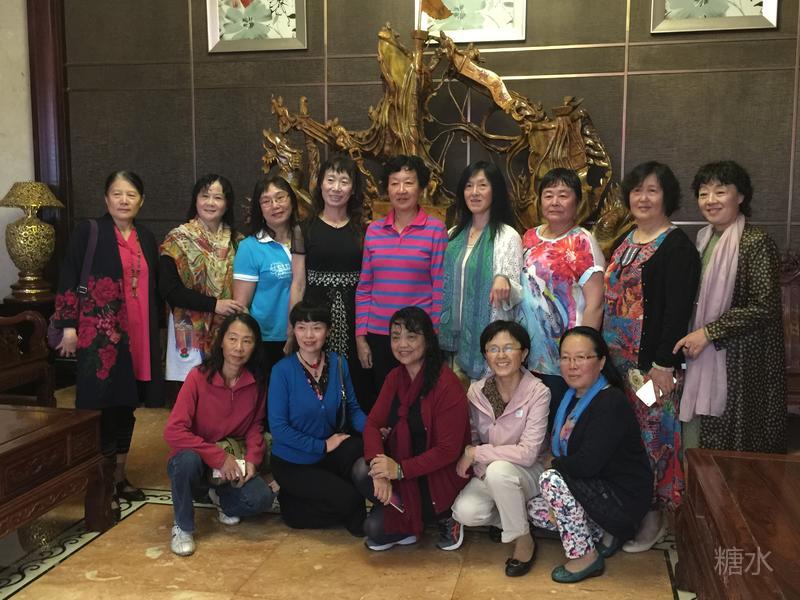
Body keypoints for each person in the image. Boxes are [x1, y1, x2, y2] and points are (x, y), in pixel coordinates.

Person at [602, 161, 700, 553]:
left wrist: (663, 365)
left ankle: (653, 517)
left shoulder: (676, 247)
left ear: (667, 197)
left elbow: (677, 311)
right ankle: (626, 510)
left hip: (650, 371)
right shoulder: (627, 239)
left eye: (653, 190)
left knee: (653, 440)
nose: (643, 198)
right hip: (617, 366)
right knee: (624, 439)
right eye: (637, 190)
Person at [54, 170, 163, 511]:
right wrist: (68, 326)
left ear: (141, 201)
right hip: (100, 337)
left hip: (139, 336)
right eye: (117, 193)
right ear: (106, 198)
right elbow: (68, 276)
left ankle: (119, 475)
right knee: (102, 407)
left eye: (131, 194)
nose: (124, 200)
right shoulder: (89, 231)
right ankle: (100, 483)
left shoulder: (147, 237)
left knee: (127, 406)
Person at [676, 161, 786, 453]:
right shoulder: (703, 239)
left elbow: (765, 306)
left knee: (732, 445)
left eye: (720, 192)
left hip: (742, 361)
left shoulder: (756, 242)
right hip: (701, 355)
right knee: (697, 436)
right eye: (703, 193)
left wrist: (709, 332)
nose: (710, 200)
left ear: (741, 196)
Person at [527, 327, 652, 583]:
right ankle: (606, 532)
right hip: (595, 488)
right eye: (566, 358)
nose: (572, 365)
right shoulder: (569, 397)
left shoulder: (610, 401)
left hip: (621, 497)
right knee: (535, 509)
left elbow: (587, 464)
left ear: (601, 361)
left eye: (582, 358)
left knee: (550, 480)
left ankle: (586, 557)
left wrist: (555, 463)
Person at [353, 307, 470, 551]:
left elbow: (448, 450)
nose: (402, 344)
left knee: (374, 530)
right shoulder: (395, 377)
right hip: (403, 474)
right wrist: (381, 470)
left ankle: (445, 516)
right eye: (396, 337)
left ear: (427, 341)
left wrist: (399, 470)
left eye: (412, 336)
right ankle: (407, 514)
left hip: (435, 478)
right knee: (362, 470)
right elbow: (372, 424)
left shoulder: (446, 384)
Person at [164, 313, 275, 556]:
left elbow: (255, 426)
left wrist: (253, 460)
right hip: (197, 459)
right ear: (221, 341)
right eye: (232, 338)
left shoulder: (257, 383)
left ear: (255, 346)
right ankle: (183, 526)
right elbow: (173, 430)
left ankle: (220, 497)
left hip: (230, 462)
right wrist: (219, 458)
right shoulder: (198, 377)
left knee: (261, 498)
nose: (238, 347)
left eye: (247, 341)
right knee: (187, 461)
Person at [451, 321, 549, 577]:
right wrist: (478, 459)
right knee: (465, 512)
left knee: (499, 472)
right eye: (493, 349)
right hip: (489, 471)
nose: (501, 355)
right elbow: (472, 439)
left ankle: (523, 540)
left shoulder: (538, 392)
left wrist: (477, 454)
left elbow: (528, 453)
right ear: (485, 355)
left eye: (508, 348)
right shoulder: (477, 392)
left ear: (523, 353)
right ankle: (512, 520)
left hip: (529, 471)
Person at [268, 300, 368, 535]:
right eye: (302, 327)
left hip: (327, 455)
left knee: (359, 447)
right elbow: (279, 429)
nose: (309, 335)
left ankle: (336, 504)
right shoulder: (282, 371)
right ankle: (295, 500)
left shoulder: (339, 363)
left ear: (328, 330)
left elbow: (352, 408)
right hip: (294, 461)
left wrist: (373, 428)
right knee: (350, 500)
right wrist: (322, 445)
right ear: (293, 331)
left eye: (317, 327)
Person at [355, 155, 448, 399]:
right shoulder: (374, 230)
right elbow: (365, 288)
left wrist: (432, 336)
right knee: (384, 402)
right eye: (394, 183)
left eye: (408, 183)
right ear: (387, 188)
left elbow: (440, 287)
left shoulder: (435, 230)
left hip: (418, 335)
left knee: (418, 402)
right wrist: (361, 337)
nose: (401, 190)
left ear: (421, 187)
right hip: (379, 334)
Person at [518, 167, 605, 423]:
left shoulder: (582, 241)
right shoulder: (529, 237)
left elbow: (595, 304)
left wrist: (583, 354)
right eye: (548, 195)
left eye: (563, 195)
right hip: (529, 354)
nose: (555, 201)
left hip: (565, 360)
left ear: (577, 202)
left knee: (562, 421)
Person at [289, 155, 371, 410]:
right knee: (314, 375)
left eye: (344, 181)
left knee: (357, 378)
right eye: (330, 180)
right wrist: (292, 327)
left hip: (354, 316)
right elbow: (298, 283)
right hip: (315, 315)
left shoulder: (364, 230)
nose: (336, 188)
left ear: (353, 188)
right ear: (320, 184)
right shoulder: (304, 229)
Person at [439, 161, 522, 381]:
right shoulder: (452, 235)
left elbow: (516, 295)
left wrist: (505, 281)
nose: (474, 192)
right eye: (469, 186)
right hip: (450, 341)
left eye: (482, 185)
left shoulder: (507, 237)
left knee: (482, 399)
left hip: (489, 341)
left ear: (495, 191)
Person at [160, 174, 244, 386]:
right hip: (189, 328)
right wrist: (214, 305)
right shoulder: (177, 239)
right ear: (195, 200)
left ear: (227, 204)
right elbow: (169, 290)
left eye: (218, 197)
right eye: (205, 196)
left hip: (227, 329)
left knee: (224, 389)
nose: (210, 203)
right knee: (191, 391)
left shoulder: (238, 242)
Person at [233, 175, 298, 389]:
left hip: (306, 335)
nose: (275, 205)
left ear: (292, 200)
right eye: (266, 201)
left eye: (280, 197)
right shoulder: (250, 247)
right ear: (259, 208)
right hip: (267, 339)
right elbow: (242, 305)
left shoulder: (306, 238)